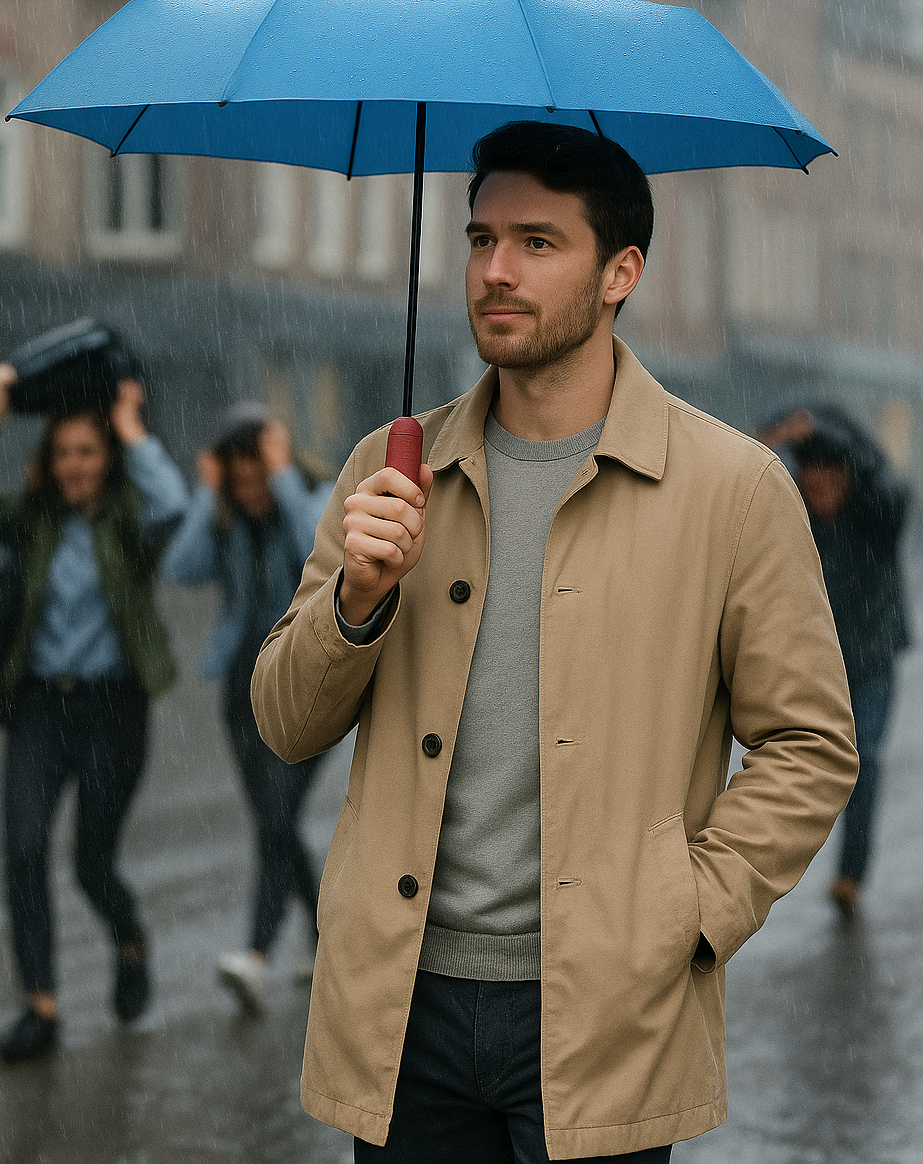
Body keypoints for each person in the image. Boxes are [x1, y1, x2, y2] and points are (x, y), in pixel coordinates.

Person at [250, 120, 859, 1163]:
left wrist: (690, 914)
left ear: (621, 270)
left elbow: (810, 746)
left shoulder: (731, 488)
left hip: (607, 1009)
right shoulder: (388, 470)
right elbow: (284, 723)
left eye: (537, 243)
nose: (495, 270)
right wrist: (357, 598)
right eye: (481, 239)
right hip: (404, 1007)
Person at [0, 363, 189, 1062]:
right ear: (48, 461)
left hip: (114, 710)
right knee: (22, 852)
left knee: (90, 865)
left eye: (87, 451)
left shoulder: (129, 522)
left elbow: (173, 504)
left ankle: (129, 940)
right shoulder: (32, 523)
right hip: (41, 708)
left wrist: (134, 428)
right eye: (63, 453)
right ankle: (39, 1007)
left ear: (105, 459)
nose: (75, 465)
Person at [163, 404, 331, 1012]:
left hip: (309, 684)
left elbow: (324, 549)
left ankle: (256, 957)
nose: (251, 492)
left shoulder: (311, 496)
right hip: (243, 689)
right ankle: (325, 941)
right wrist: (208, 495)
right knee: (275, 824)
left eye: (256, 478)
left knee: (276, 823)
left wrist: (284, 478)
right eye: (239, 481)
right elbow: (180, 567)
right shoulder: (227, 519)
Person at [757, 404, 911, 917]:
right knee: (794, 758)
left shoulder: (877, 511)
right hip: (815, 659)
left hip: (870, 658)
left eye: (828, 487)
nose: (820, 498)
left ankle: (851, 871)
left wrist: (828, 431)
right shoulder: (792, 512)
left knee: (861, 759)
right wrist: (786, 430)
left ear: (845, 475)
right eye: (810, 486)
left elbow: (884, 474)